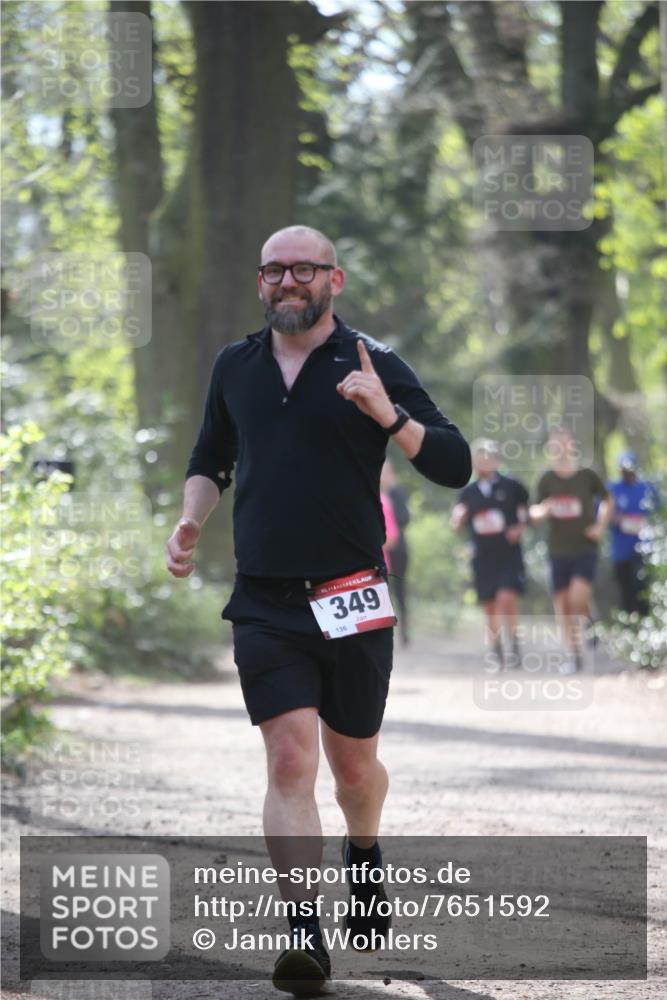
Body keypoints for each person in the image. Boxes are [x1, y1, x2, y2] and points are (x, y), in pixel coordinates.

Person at [165, 225, 471, 994]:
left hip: (351, 594)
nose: (288, 282)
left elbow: (455, 464)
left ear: (334, 278)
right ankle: (304, 934)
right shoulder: (235, 365)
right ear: (260, 282)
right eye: (274, 270)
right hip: (265, 598)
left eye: (304, 269)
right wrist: (192, 519)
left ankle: (362, 850)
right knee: (290, 758)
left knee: (354, 764)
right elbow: (210, 459)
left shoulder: (373, 363)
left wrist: (388, 417)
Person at [530, 427, 612, 673]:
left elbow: (608, 500)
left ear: (572, 444)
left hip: (584, 547)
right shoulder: (546, 479)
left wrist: (600, 526)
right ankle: (574, 655)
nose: (559, 446)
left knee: (578, 598)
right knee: (564, 604)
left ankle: (590, 620)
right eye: (555, 442)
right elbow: (533, 512)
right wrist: (543, 510)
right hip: (557, 550)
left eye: (563, 441)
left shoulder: (587, 475)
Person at [451, 439, 529, 669]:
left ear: (496, 460)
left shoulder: (512, 486)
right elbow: (460, 514)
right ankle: (496, 652)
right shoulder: (469, 492)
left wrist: (520, 527)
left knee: (507, 598)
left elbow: (524, 512)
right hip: (483, 557)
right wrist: (457, 518)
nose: (483, 462)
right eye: (478, 457)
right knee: (490, 606)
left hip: (508, 554)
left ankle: (514, 644)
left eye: (487, 457)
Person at [607, 450, 660, 615]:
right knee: (626, 594)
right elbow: (603, 515)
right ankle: (628, 628)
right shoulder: (612, 489)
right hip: (621, 552)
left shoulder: (647, 489)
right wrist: (618, 519)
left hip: (644, 551)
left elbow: (658, 514)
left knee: (642, 593)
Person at [380, 458, 411, 645]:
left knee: (400, 591)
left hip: (397, 549)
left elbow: (404, 519)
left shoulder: (396, 493)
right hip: (379, 550)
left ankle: (404, 631)